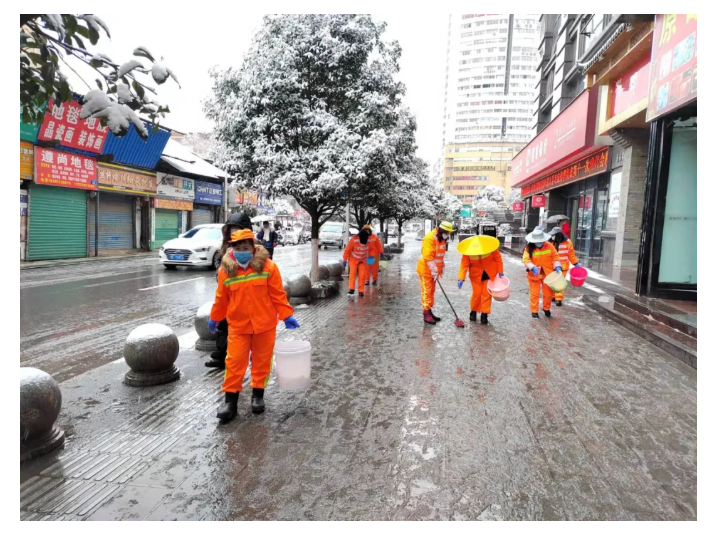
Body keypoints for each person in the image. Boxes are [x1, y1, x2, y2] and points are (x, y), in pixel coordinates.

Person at [208, 229, 298, 422]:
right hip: (238, 326)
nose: (242, 251)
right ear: (232, 248)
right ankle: (230, 402)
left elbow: (277, 295)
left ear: (253, 247)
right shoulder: (225, 271)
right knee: (234, 363)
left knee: (262, 361)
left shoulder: (268, 267)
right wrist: (215, 317)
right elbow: (221, 298)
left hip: (265, 324)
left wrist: (286, 315)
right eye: (238, 248)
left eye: (246, 247)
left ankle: (258, 395)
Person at [206, 211, 254, 369]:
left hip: (246, 296)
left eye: (237, 228)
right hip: (228, 292)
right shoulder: (226, 246)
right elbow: (220, 265)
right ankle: (222, 355)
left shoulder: (252, 247)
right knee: (223, 325)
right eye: (231, 228)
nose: (234, 232)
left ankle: (240, 355)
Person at [457, 244, 504, 325]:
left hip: (489, 274)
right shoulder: (468, 250)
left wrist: (500, 271)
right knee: (477, 294)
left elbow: (498, 259)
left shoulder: (490, 246)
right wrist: (461, 278)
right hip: (475, 276)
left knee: (487, 294)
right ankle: (473, 311)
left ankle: (484, 314)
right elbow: (464, 264)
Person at [417, 221, 453, 324]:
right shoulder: (430, 238)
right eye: (448, 232)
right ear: (442, 231)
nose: (448, 235)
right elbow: (428, 256)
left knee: (431, 291)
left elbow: (439, 255)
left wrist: (442, 266)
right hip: (426, 270)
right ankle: (426, 313)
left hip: (434, 271)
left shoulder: (441, 239)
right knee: (426, 291)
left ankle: (429, 311)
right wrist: (434, 269)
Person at [522, 227, 561, 318]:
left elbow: (555, 257)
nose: (539, 243)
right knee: (534, 294)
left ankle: (546, 308)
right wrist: (532, 267)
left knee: (548, 294)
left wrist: (557, 266)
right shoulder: (528, 248)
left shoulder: (549, 246)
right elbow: (526, 260)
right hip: (534, 274)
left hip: (548, 274)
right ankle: (534, 311)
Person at [549, 226, 580, 306]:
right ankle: (554, 296)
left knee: (559, 282)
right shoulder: (551, 242)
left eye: (553, 235)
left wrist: (575, 263)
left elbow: (571, 254)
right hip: (552, 266)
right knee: (553, 281)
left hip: (562, 266)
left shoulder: (567, 242)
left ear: (558, 235)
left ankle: (558, 298)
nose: (552, 236)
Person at [342, 228, 370, 297]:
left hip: (363, 260)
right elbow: (347, 250)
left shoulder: (368, 241)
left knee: (362, 276)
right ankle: (351, 289)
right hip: (353, 259)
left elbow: (370, 251)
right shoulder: (354, 240)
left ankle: (361, 290)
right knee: (353, 274)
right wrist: (344, 259)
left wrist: (371, 260)